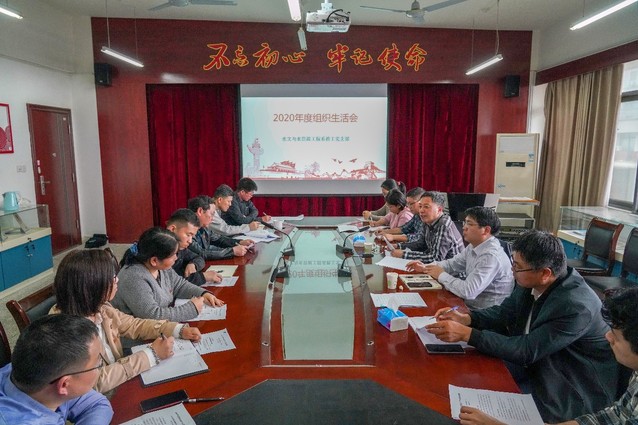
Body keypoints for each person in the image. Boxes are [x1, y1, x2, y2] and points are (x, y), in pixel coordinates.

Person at [425, 230, 618, 422]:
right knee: (462, 375)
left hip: (571, 385)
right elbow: (504, 313)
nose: (512, 270)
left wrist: (468, 335)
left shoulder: (576, 306)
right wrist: (467, 319)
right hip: (539, 365)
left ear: (545, 273)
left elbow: (527, 350)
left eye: (517, 267)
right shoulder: (531, 281)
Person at [457, 286, 638, 425]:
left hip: (574, 390)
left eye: (615, 336)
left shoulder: (575, 304)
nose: (607, 337)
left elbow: (526, 351)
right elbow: (608, 417)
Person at [51, 249, 203, 393]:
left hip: (121, 381)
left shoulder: (101, 307)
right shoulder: (66, 332)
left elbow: (134, 325)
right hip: (106, 398)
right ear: (93, 286)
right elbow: (95, 383)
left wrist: (177, 329)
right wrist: (151, 355)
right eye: (112, 278)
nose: (117, 280)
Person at [0, 314, 113, 424]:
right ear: (64, 385)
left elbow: (98, 405)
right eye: (98, 364)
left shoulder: (35, 370)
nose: (100, 366)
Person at [406, 206, 513, 309]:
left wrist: (440, 274)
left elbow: (468, 291)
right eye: (464, 222)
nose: (464, 227)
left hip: (482, 313)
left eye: (469, 224)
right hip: (467, 304)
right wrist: (425, 267)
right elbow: (452, 264)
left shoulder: (490, 256)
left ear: (486, 230)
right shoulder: (474, 245)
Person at [112, 227, 225, 322]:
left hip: (162, 329)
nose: (176, 258)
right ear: (154, 260)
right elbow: (152, 315)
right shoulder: (133, 277)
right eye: (173, 255)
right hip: (141, 338)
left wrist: (203, 293)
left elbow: (179, 285)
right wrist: (191, 309)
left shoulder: (162, 267)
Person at [390, 191, 464, 263]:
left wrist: (404, 255)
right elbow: (420, 244)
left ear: (439, 209)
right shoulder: (427, 221)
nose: (421, 210)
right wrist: (398, 246)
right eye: (420, 206)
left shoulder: (444, 225)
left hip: (452, 270)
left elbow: (435, 258)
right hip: (437, 267)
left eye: (426, 207)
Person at [166, 208, 221, 286]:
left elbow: (199, 258)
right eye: (188, 235)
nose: (190, 241)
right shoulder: (160, 248)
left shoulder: (180, 247)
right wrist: (203, 277)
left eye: (192, 236)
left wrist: (193, 264)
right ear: (172, 229)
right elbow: (170, 282)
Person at [188, 194, 252, 260]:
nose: (213, 218)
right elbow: (201, 253)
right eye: (212, 214)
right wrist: (232, 251)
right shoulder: (187, 230)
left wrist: (239, 242)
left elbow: (218, 239)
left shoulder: (204, 228)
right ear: (200, 211)